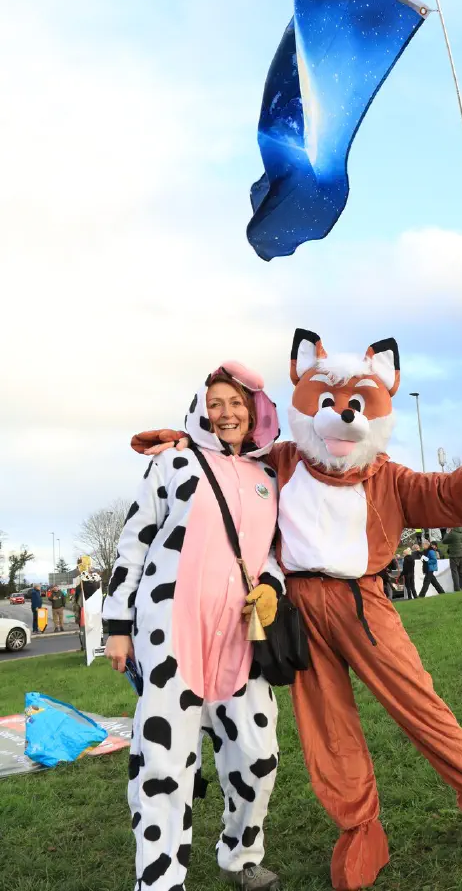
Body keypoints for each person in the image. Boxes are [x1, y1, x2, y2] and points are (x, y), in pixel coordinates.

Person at [131, 328, 462, 890]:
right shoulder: (280, 461)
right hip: (299, 609)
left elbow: (445, 494)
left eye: (353, 406)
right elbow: (228, 459)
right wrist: (182, 442)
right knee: (327, 730)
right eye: (327, 403)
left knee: (419, 704)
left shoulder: (388, 477)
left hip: (364, 603)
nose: (340, 416)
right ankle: (359, 828)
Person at [103, 361, 285, 891]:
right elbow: (134, 542)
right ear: (203, 408)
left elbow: (272, 553)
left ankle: (241, 854)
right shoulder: (174, 463)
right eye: (217, 403)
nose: (226, 413)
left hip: (241, 639)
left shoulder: (268, 476)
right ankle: (160, 879)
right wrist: (118, 624)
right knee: (163, 760)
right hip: (171, 635)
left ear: (254, 414)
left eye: (237, 404)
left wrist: (270, 587)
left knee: (257, 756)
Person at [443, 525, 462, 591]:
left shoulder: (452, 533)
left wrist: (447, 533)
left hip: (454, 555)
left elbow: (444, 541)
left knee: (454, 572)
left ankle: (457, 588)